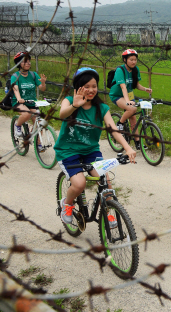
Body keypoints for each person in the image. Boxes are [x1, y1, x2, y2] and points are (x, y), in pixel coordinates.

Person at [55, 67, 137, 228]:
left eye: (94, 86)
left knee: (105, 181)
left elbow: (113, 129)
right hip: (68, 151)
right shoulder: (69, 101)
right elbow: (62, 114)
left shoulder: (101, 108)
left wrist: (128, 148)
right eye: (86, 86)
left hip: (90, 151)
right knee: (79, 184)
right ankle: (67, 204)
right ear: (78, 87)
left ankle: (109, 213)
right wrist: (75, 105)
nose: (91, 90)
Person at [108, 49, 152, 150]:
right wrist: (127, 101)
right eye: (131, 59)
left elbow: (136, 85)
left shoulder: (135, 70)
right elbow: (123, 87)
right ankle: (120, 123)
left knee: (133, 118)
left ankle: (137, 142)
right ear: (125, 60)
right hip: (117, 95)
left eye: (135, 60)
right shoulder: (120, 70)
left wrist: (145, 89)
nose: (133, 62)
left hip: (129, 94)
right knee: (132, 109)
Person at [11, 51, 47, 153]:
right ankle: (17, 125)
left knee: (40, 123)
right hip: (19, 102)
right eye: (25, 61)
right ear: (19, 64)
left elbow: (42, 88)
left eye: (29, 61)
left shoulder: (33, 75)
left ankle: (38, 144)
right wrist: (19, 98)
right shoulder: (15, 75)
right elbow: (15, 88)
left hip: (31, 102)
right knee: (26, 114)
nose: (28, 63)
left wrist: (43, 83)